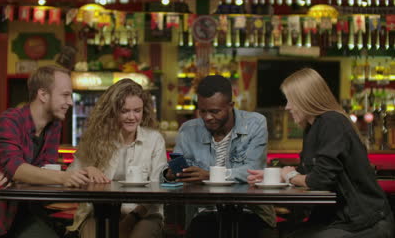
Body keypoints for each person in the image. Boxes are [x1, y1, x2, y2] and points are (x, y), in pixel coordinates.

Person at [248, 68, 395, 238]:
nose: (287, 107)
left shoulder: (332, 121)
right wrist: (276, 176)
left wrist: (290, 176)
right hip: (340, 221)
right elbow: (309, 175)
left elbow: (319, 180)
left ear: (306, 99)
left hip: (365, 223)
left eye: (291, 100)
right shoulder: (313, 128)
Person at [0, 65, 91, 238]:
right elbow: (16, 168)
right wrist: (61, 177)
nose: (70, 102)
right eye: (65, 95)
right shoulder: (9, 121)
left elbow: (43, 172)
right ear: (43, 95)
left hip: (19, 217)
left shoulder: (54, 126)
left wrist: (21, 176)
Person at [164, 75, 276, 238]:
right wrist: (170, 174)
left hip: (251, 211)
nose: (207, 117)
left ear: (231, 106)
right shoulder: (188, 130)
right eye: (202, 111)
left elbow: (254, 170)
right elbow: (172, 170)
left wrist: (211, 175)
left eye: (214, 111)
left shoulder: (255, 123)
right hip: (203, 213)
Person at [67, 78, 167, 238]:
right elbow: (70, 176)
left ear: (144, 110)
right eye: (125, 110)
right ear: (113, 111)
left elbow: (158, 189)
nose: (132, 117)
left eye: (137, 110)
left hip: (144, 215)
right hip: (99, 214)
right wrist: (87, 170)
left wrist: (131, 220)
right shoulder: (95, 139)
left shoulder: (154, 140)